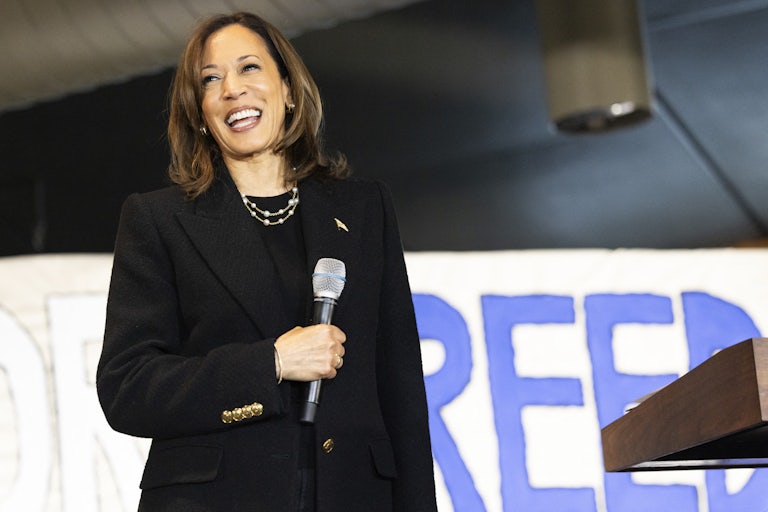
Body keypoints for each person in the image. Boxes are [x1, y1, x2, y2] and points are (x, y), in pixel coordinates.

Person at [96, 11, 437, 512]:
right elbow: (128, 388)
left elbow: (401, 386)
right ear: (200, 112)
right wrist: (270, 364)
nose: (232, 88)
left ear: (289, 88)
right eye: (210, 80)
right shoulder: (157, 220)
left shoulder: (364, 209)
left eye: (249, 68)